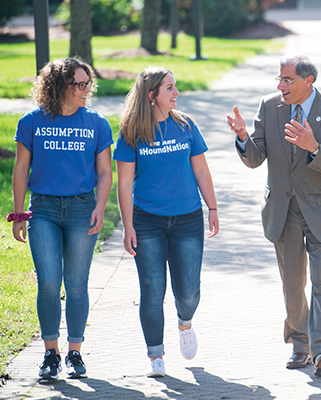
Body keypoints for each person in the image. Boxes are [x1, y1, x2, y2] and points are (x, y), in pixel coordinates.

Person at [227, 53, 321, 377]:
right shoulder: (269, 108)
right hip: (283, 211)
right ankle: (300, 345)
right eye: (279, 79)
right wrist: (242, 137)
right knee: (293, 284)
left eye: (287, 80)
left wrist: (314, 147)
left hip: (320, 210)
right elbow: (255, 158)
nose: (280, 86)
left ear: (308, 81)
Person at [10, 57, 113, 380]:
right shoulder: (31, 122)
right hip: (44, 210)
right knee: (50, 281)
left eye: (88, 83)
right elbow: (21, 169)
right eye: (79, 84)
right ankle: (50, 353)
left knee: (78, 284)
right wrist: (18, 213)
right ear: (59, 87)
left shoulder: (97, 123)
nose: (86, 90)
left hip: (83, 209)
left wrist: (100, 205)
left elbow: (105, 170)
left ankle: (75, 353)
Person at [114, 66, 219, 378]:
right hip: (147, 222)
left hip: (187, 219)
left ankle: (184, 322)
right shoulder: (131, 132)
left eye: (175, 87)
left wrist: (212, 207)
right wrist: (128, 225)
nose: (176, 93)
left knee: (188, 292)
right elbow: (124, 184)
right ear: (152, 95)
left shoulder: (186, 125)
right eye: (170, 88)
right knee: (151, 289)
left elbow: (201, 170)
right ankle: (156, 355)